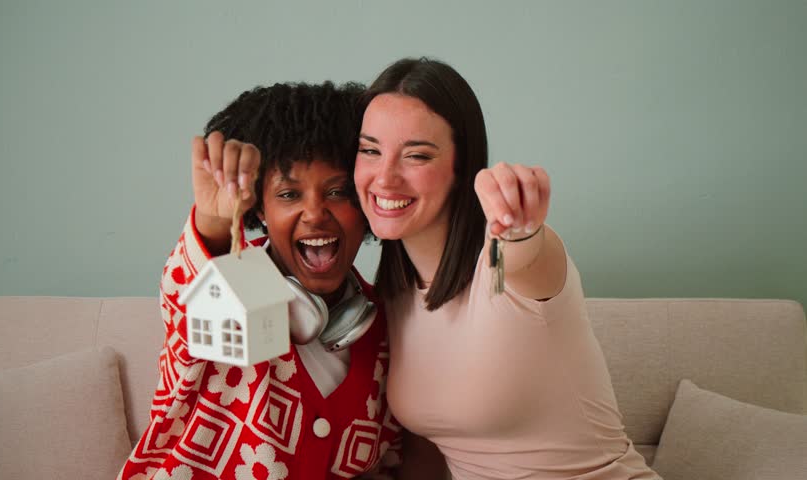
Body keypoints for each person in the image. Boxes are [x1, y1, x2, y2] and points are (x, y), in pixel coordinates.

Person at [353, 57, 661, 479]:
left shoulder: (507, 268)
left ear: (462, 168)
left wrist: (518, 227)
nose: (384, 178)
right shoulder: (395, 296)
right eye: (370, 151)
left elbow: (522, 252)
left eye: (417, 156)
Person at [118, 82, 401, 480]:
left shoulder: (387, 333)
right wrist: (215, 221)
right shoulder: (229, 289)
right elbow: (185, 290)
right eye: (288, 194)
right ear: (260, 209)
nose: (315, 213)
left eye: (337, 191)